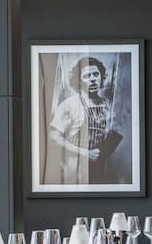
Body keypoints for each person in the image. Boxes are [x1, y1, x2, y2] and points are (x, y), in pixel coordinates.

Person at [48, 56, 122, 184]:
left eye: (96, 74)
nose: (93, 79)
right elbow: (54, 137)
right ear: (78, 81)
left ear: (101, 77)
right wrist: (84, 153)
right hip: (75, 168)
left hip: (102, 168)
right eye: (87, 76)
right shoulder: (69, 104)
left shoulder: (109, 104)